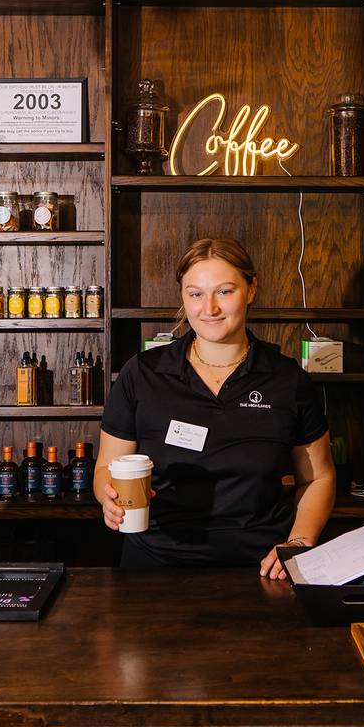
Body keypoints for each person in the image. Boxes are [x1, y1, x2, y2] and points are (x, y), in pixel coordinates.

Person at [94, 237, 336, 577]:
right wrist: (108, 497)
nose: (209, 308)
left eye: (224, 291)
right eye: (195, 294)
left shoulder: (287, 379)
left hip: (261, 569)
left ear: (251, 290)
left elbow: (318, 477)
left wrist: (298, 543)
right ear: (182, 296)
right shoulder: (143, 374)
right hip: (155, 566)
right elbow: (105, 467)